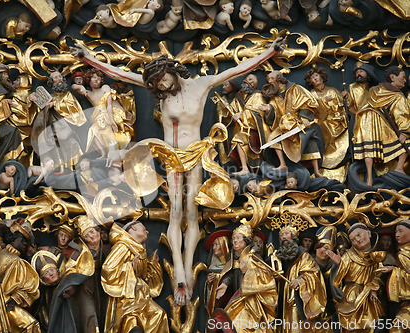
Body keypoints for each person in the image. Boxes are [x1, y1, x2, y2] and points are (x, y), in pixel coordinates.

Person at [72, 36, 285, 305]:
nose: (161, 86)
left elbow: (237, 69)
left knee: (191, 212)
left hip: (195, 153)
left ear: (172, 71)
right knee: (175, 212)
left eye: (163, 80)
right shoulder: (160, 91)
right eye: (157, 85)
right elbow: (122, 73)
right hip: (171, 155)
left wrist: (269, 52)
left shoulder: (201, 85)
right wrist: (86, 58)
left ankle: (187, 269)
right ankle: (180, 273)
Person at [101, 221, 168, 333]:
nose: (147, 231)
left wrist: (153, 264)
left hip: (141, 295)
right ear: (133, 228)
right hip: (126, 297)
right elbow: (108, 268)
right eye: (144, 228)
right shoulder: (123, 246)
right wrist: (130, 267)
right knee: (131, 321)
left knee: (159, 314)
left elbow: (145, 277)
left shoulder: (139, 250)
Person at [0, 218, 41, 333]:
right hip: (3, 299)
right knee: (31, 325)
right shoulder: (15, 260)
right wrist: (14, 300)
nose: (25, 244)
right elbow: (29, 287)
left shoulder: (1, 253)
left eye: (26, 241)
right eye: (22, 240)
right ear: (14, 239)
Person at [352, 66, 410, 186]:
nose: (405, 81)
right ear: (392, 77)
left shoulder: (374, 89)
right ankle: (399, 168)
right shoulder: (398, 96)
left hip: (365, 122)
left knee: (368, 150)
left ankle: (369, 178)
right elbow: (401, 116)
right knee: (406, 144)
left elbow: (361, 105)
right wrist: (404, 132)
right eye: (403, 78)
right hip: (381, 125)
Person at [332, 223, 391, 332]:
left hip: (370, 297)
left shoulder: (376, 256)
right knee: (350, 326)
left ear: (368, 233)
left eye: (359, 235)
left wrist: (373, 287)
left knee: (376, 323)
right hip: (352, 297)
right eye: (353, 240)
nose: (357, 240)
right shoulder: (349, 256)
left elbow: (379, 275)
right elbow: (337, 279)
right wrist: (339, 265)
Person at [264, 70, 324, 177]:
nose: (269, 82)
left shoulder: (296, 89)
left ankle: (316, 171)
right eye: (268, 79)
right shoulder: (274, 96)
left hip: (299, 123)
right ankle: (282, 164)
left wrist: (305, 117)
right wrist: (269, 109)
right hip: (284, 126)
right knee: (273, 137)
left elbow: (307, 102)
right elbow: (275, 112)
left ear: (278, 79)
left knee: (309, 139)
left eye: (271, 79)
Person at [267, 225, 327, 332]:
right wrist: (273, 278)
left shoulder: (303, 255)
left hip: (296, 299)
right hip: (281, 299)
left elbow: (313, 274)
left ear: (293, 237)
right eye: (281, 235)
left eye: (287, 234)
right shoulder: (275, 256)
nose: (284, 237)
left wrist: (300, 281)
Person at [305, 67, 349, 176]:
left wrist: (346, 98)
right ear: (310, 82)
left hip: (336, 120)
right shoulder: (312, 94)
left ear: (321, 77)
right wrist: (324, 102)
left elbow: (341, 107)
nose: (315, 79)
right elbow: (313, 110)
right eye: (312, 78)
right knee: (323, 127)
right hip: (321, 121)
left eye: (316, 76)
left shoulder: (332, 90)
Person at [387, 220, 410, 333]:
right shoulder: (401, 252)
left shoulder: (403, 255)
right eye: (396, 232)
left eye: (401, 231)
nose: (397, 235)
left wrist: (394, 271)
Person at [204, 229, 231, 316]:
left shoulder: (230, 264)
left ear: (224, 245)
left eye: (217, 244)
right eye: (213, 245)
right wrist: (208, 282)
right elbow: (208, 293)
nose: (214, 248)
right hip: (214, 305)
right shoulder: (212, 267)